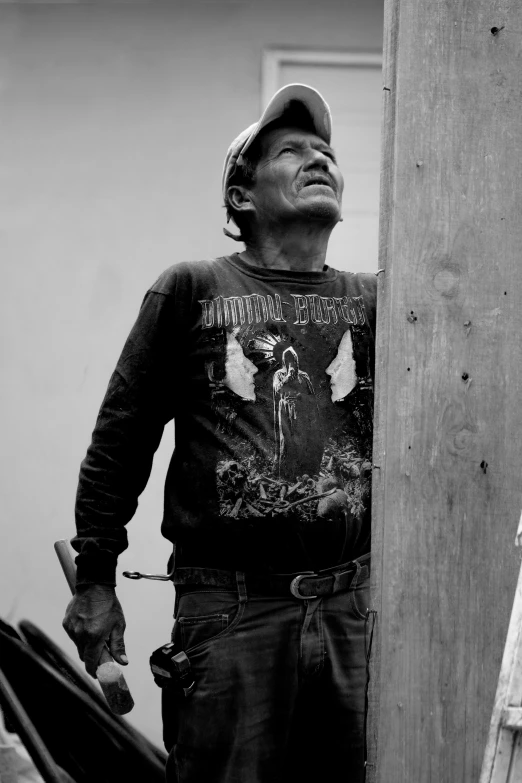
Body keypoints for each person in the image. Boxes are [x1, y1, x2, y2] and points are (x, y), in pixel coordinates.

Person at [63, 83, 377, 783]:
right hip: (233, 613)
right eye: (292, 151)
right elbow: (120, 442)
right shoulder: (192, 288)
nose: (317, 158)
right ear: (241, 197)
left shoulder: (380, 302)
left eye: (325, 150)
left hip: (356, 611)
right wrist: (94, 580)